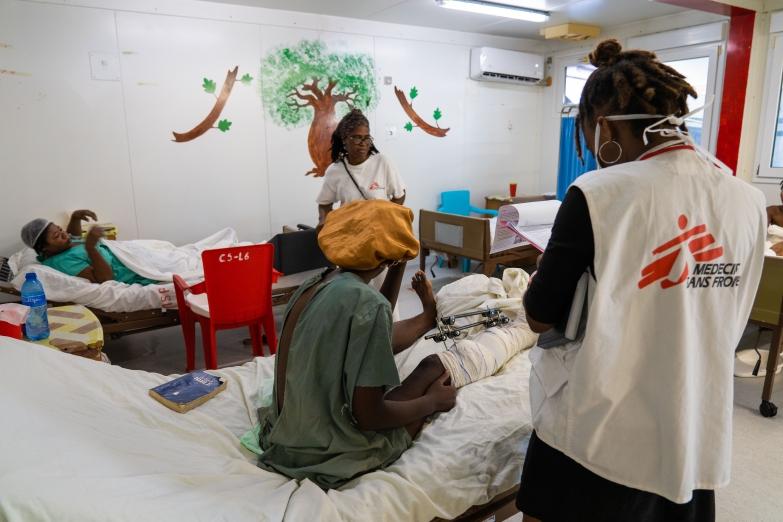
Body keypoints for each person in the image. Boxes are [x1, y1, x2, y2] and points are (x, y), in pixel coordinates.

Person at [516, 40, 766, 522]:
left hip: (597, 433)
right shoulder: (746, 199)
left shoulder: (598, 194)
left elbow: (539, 314)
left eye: (587, 133)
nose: (591, 150)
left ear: (604, 126)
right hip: (692, 425)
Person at [257, 200, 457, 490]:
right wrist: (432, 402)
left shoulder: (316, 282)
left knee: (383, 341)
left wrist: (395, 265)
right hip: (319, 451)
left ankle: (425, 319)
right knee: (431, 367)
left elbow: (373, 322)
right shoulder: (366, 302)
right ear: (387, 256)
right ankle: (427, 320)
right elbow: (369, 416)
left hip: (285, 431)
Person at [316, 109, 406, 227]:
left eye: (366, 138)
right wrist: (324, 221)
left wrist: (388, 218)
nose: (363, 143)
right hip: (350, 234)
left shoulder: (382, 162)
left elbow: (400, 195)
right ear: (345, 140)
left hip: (378, 233)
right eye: (357, 138)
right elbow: (324, 204)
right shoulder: (335, 171)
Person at [20, 210, 159, 285]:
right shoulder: (61, 261)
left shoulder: (63, 246)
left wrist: (75, 218)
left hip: (127, 254)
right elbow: (106, 279)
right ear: (45, 248)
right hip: (128, 270)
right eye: (57, 236)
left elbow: (73, 237)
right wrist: (91, 248)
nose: (64, 235)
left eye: (60, 229)